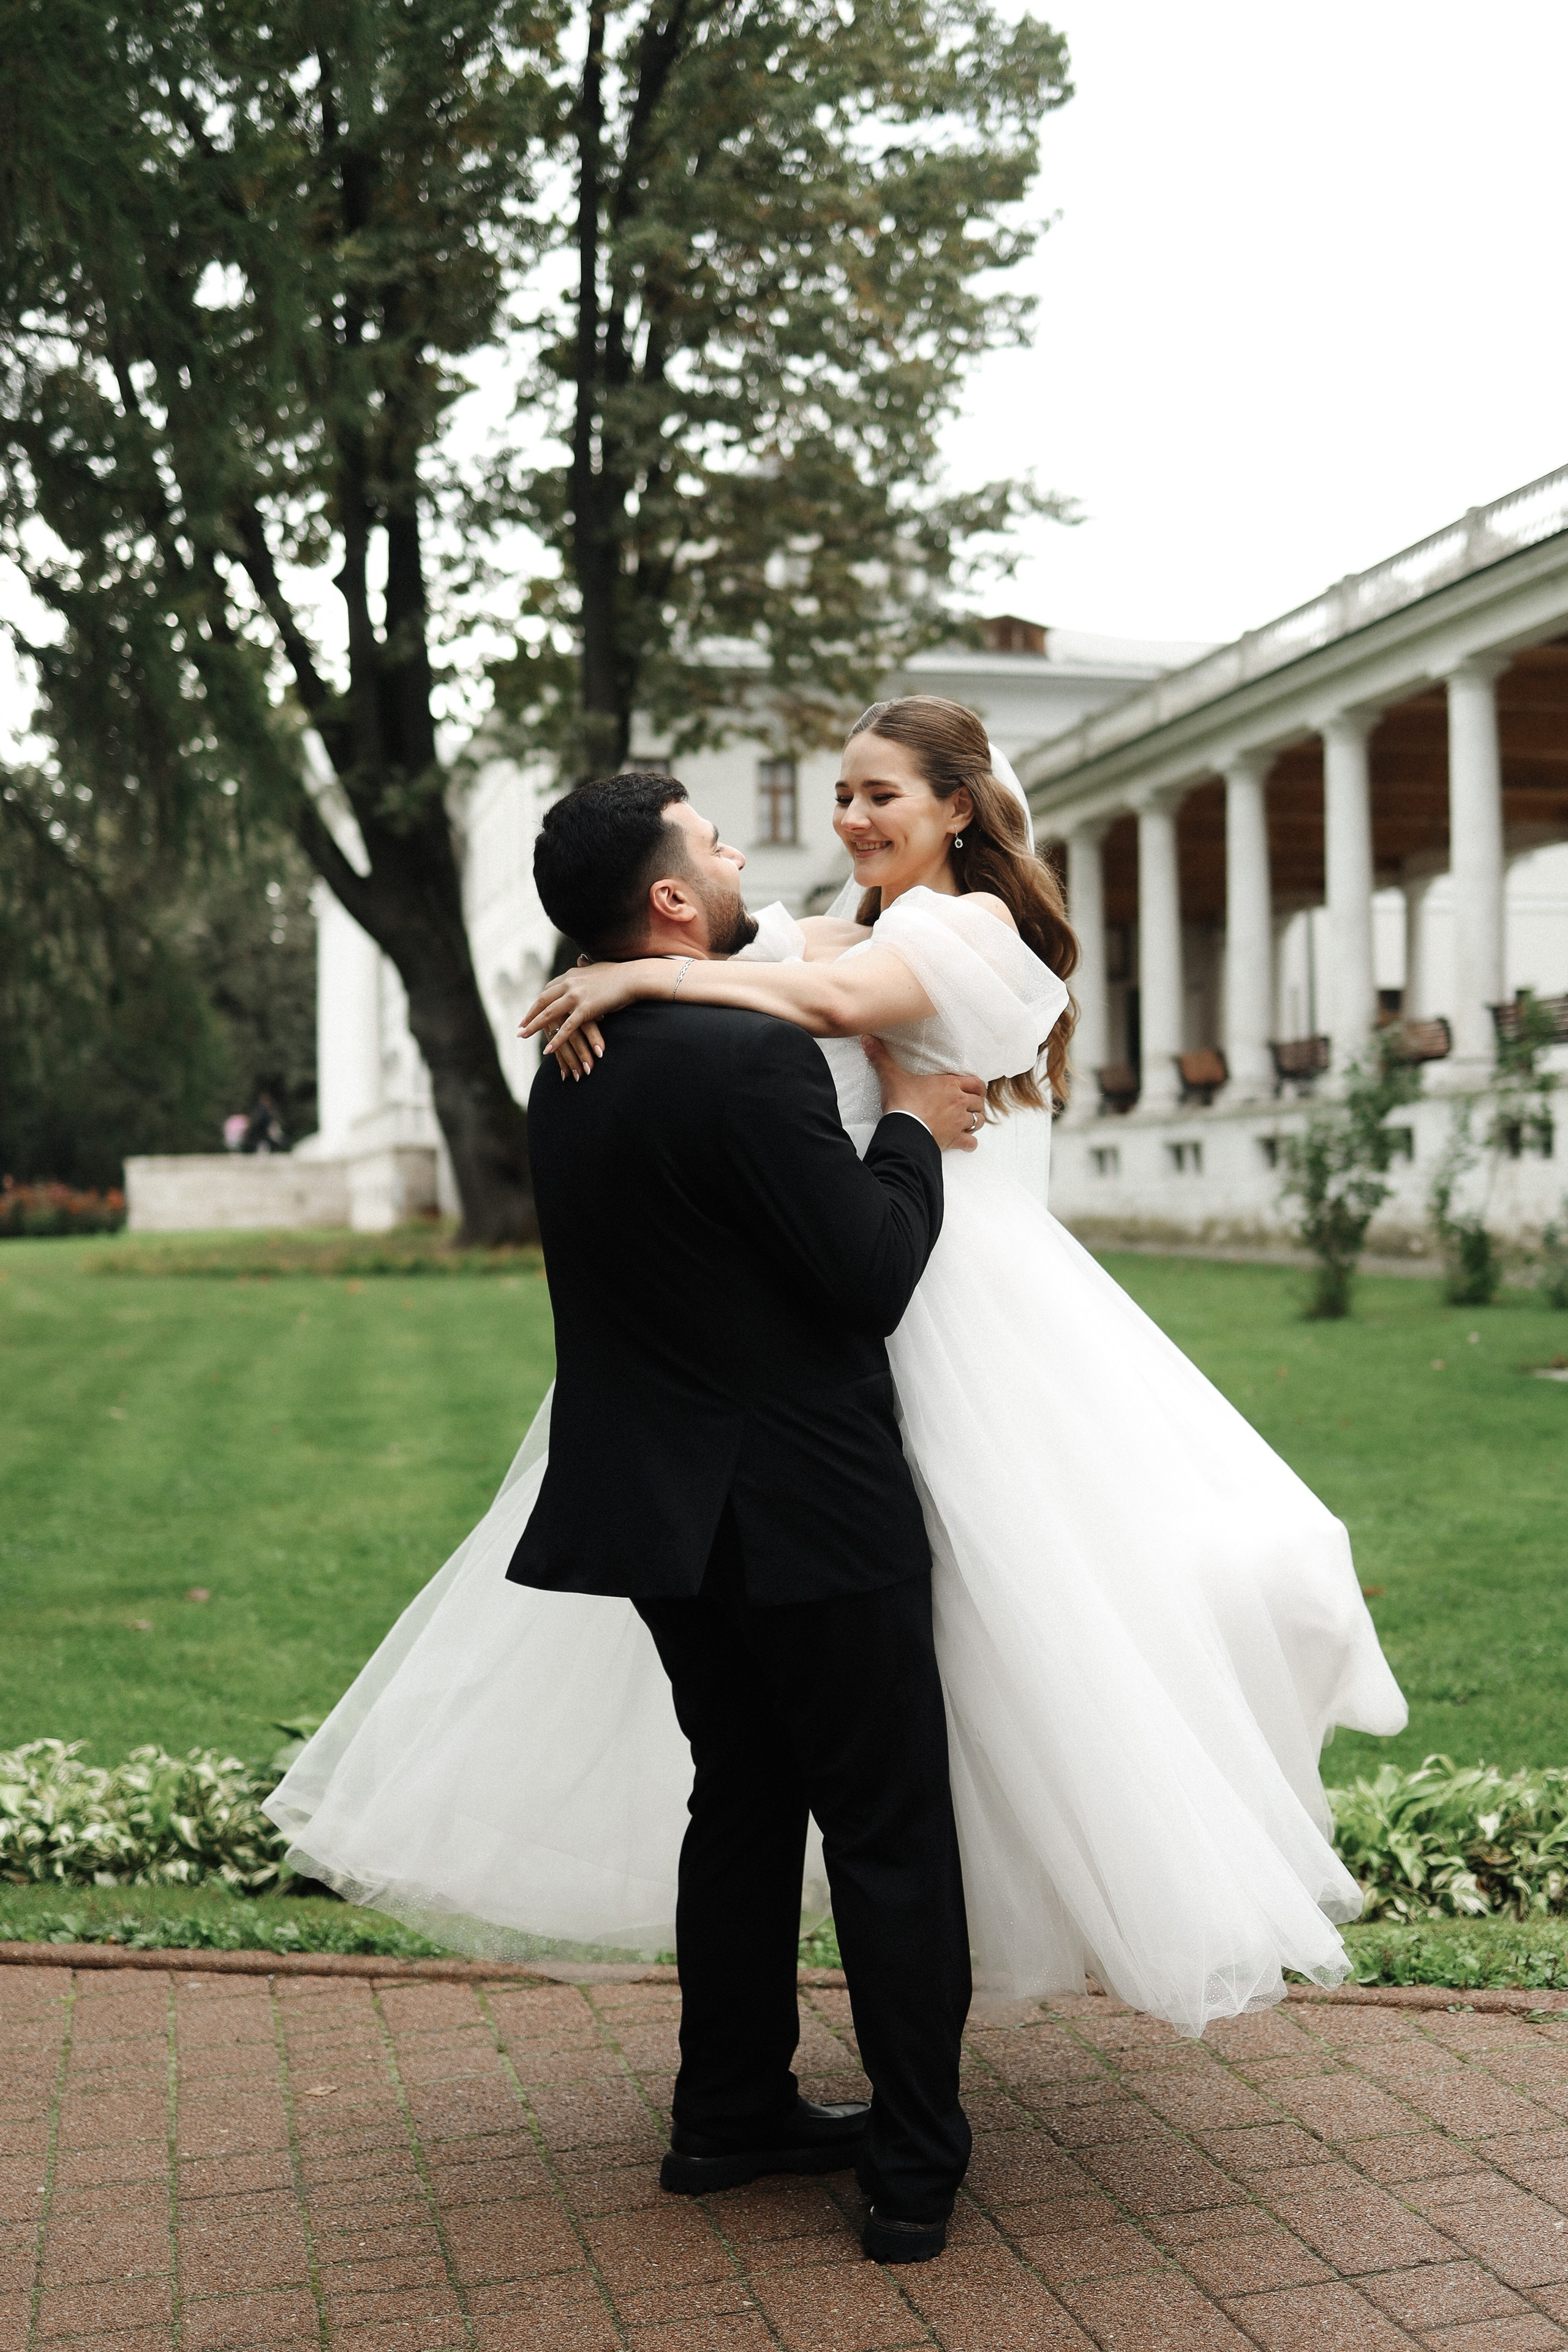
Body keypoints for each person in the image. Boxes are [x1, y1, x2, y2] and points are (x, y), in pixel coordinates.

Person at [268, 699, 1407, 2230]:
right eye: (721, 836)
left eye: (874, 794)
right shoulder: (749, 1040)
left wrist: (625, 970)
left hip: (656, 1493)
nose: (792, 835)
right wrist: (913, 1128)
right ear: (672, 895)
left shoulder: (586, 1053)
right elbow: (864, 1268)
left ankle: (723, 2110)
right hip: (805, 1483)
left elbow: (783, 1000)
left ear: (956, 807)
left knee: (741, 1796)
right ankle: (915, 2165)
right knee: (883, 1821)